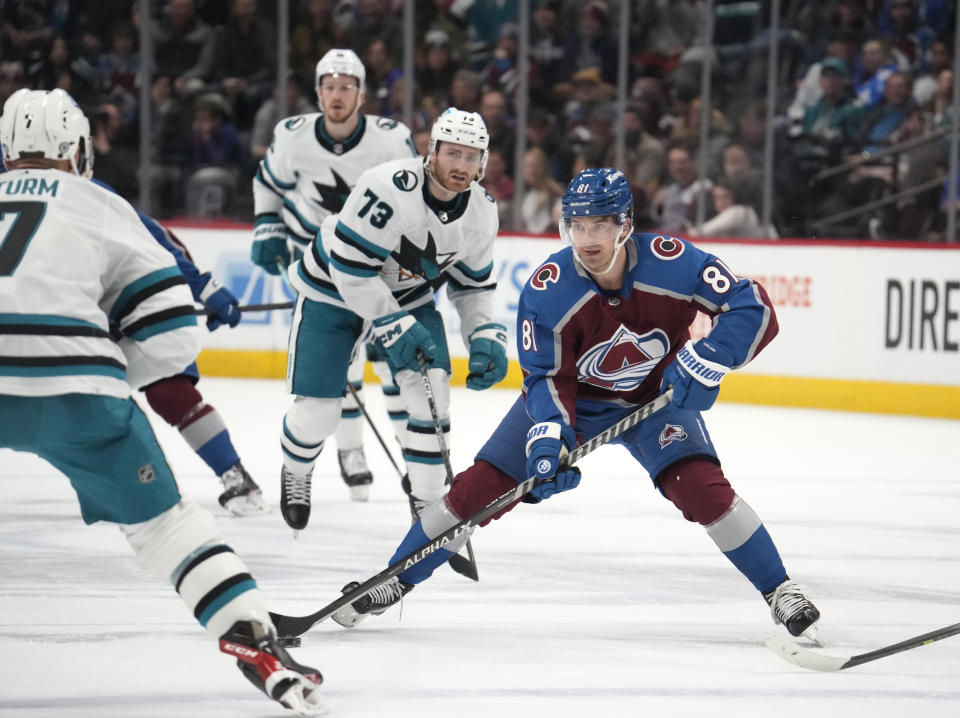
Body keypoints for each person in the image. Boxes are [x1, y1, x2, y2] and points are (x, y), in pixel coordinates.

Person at [328, 167, 823, 647]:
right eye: (578, 225)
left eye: (600, 226)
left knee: (702, 489)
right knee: (479, 488)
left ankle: (780, 589)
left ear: (624, 224)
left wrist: (708, 357)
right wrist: (549, 435)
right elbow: (546, 376)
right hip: (574, 403)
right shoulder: (548, 289)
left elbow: (752, 307)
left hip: (656, 398)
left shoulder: (675, 262)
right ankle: (395, 578)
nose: (587, 238)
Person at [0, 88, 324, 715]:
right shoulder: (100, 204)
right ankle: (252, 640)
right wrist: (113, 370)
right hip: (77, 391)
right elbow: (172, 330)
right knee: (167, 528)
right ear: (77, 148)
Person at [277, 107, 507, 531]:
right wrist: (388, 320)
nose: (461, 166)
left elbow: (473, 286)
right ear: (431, 151)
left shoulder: (482, 212)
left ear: (483, 163)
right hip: (332, 291)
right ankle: (296, 470)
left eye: (471, 157)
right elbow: (349, 268)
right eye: (452, 153)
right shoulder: (386, 186)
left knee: (432, 390)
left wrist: (484, 334)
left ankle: (427, 502)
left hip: (407, 296)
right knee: (319, 415)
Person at [252, 47, 418, 503]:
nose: (337, 94)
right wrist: (268, 228)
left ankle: (415, 460)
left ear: (362, 94)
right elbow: (268, 183)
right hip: (319, 267)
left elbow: (416, 196)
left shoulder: (390, 139)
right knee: (337, 368)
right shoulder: (292, 137)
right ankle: (350, 450)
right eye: (329, 86)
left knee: (394, 365)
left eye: (346, 86)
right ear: (318, 92)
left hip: (377, 266)